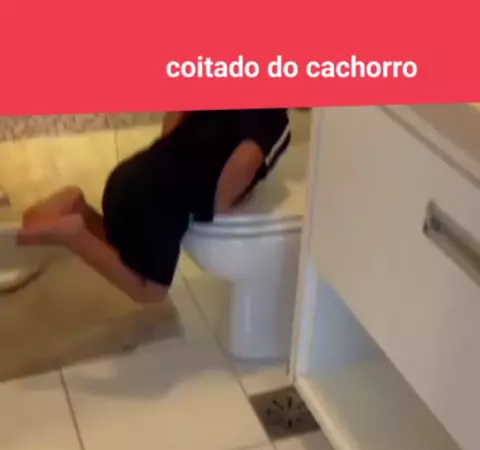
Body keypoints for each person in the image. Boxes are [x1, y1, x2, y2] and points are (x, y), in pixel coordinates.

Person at [18, 109, 291, 304]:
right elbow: (246, 161)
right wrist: (223, 204)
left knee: (124, 254)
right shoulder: (276, 120)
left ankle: (79, 208)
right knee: (150, 292)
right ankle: (73, 233)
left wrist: (171, 158)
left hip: (132, 174)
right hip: (162, 203)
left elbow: (174, 115)